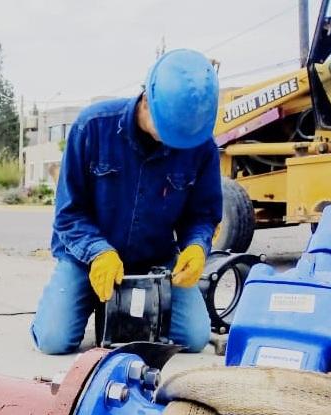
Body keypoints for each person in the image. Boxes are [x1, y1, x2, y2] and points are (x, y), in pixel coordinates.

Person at [31, 49, 223, 355]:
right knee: (54, 339)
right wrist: (99, 253)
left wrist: (198, 246)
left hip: (155, 259)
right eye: (167, 133)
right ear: (146, 101)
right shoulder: (92, 128)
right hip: (87, 259)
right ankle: (94, 299)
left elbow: (202, 214)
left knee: (195, 337)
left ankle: (120, 306)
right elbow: (68, 215)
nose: (172, 145)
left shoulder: (200, 145)